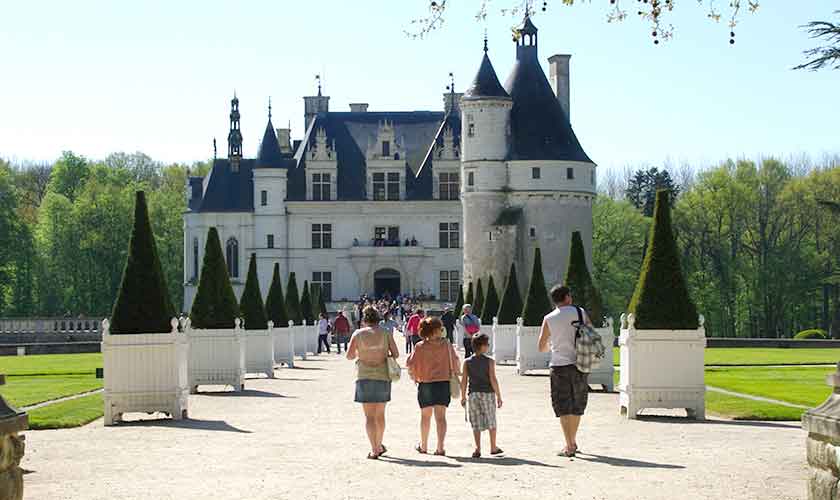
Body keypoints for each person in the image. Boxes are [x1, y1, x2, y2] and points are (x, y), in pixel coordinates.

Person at [538, 285, 592, 458]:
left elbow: (541, 346)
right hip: (579, 363)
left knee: (563, 406)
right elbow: (591, 333)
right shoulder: (580, 312)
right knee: (577, 404)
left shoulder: (549, 318)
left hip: (559, 364)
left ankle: (569, 444)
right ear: (567, 297)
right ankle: (572, 442)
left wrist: (552, 346)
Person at [346, 306, 399, 459]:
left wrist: (361, 353)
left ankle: (374, 449)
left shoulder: (358, 334)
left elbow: (349, 356)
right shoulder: (385, 333)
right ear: (378, 318)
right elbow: (395, 354)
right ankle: (379, 444)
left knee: (369, 417)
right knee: (380, 414)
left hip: (364, 376)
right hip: (382, 376)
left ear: (364, 319)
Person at [406, 316, 461, 456]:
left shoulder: (419, 346)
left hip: (425, 383)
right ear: (436, 330)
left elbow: (411, 365)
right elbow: (455, 361)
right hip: (443, 383)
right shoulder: (447, 345)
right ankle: (440, 447)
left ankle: (424, 446)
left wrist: (414, 376)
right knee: (441, 417)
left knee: (425, 416)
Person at [460, 333, 503, 458]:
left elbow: (464, 381)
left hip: (473, 394)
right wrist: (499, 395)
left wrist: (463, 396)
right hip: (488, 394)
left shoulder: (467, 362)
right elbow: (493, 379)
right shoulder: (489, 361)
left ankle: (477, 448)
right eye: (487, 344)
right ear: (482, 346)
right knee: (491, 420)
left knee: (476, 422)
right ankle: (493, 446)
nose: (488, 346)